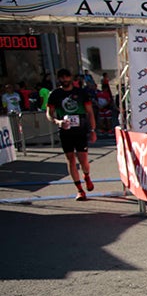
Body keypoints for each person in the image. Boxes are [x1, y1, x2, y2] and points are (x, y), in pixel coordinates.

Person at [46, 68, 97, 201]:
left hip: (80, 129)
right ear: (59, 79)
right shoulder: (55, 94)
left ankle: (86, 175)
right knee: (70, 159)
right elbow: (49, 113)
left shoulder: (80, 92)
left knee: (83, 159)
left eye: (67, 77)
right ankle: (79, 190)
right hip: (65, 130)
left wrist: (92, 130)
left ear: (71, 78)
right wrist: (57, 121)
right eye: (62, 78)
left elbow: (90, 112)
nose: (65, 80)